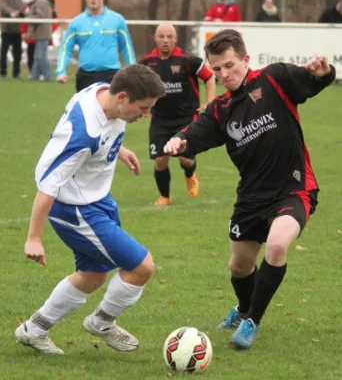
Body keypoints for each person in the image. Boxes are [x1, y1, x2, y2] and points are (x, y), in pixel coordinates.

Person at [163, 29, 335, 349]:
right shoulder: (221, 110)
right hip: (251, 197)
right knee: (239, 266)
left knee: (277, 245)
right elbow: (195, 133)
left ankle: (252, 320)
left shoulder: (275, 79)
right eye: (216, 69)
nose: (223, 74)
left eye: (229, 65)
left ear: (245, 59)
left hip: (293, 187)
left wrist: (323, 71)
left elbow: (313, 79)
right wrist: (180, 140)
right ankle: (243, 309)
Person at [14, 64, 165, 355]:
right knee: (142, 266)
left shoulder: (99, 91)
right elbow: (48, 184)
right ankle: (102, 322)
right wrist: (34, 237)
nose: (146, 115)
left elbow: (102, 132)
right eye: (143, 108)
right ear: (122, 97)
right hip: (75, 209)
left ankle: (34, 329)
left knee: (93, 275)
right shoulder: (84, 133)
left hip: (97, 198)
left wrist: (116, 150)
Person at [139, 22, 215, 205]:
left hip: (186, 119)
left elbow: (210, 76)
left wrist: (210, 102)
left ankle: (190, 174)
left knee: (185, 159)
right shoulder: (146, 63)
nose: (165, 40)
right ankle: (164, 197)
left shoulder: (188, 61)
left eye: (169, 37)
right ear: (155, 38)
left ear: (176, 39)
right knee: (160, 160)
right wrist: (141, 106)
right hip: (159, 120)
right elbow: (138, 86)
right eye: (161, 36)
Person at [56, 0, 136, 92]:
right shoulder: (76, 23)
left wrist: (133, 72)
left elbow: (126, 48)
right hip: (86, 76)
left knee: (109, 109)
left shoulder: (117, 20)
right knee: (86, 109)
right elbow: (66, 48)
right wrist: (61, 71)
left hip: (111, 75)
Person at [21, 0, 58, 74]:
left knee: (40, 57)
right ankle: (34, 74)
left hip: (41, 37)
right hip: (32, 37)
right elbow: (25, 21)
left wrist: (49, 31)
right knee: (33, 56)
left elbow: (55, 23)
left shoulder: (48, 9)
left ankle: (40, 75)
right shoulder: (31, 8)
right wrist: (24, 31)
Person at [26, 0, 53, 81]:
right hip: (42, 32)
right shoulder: (43, 0)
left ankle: (47, 77)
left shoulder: (40, 2)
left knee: (41, 57)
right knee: (37, 56)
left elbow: (39, 16)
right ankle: (34, 76)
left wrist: (28, 17)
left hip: (42, 33)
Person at [0, 0, 25, 79]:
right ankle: (3, 72)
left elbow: (22, 9)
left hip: (17, 30)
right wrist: (12, 13)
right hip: (6, 30)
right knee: (4, 52)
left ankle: (16, 73)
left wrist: (17, 12)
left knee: (17, 53)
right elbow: (5, 8)